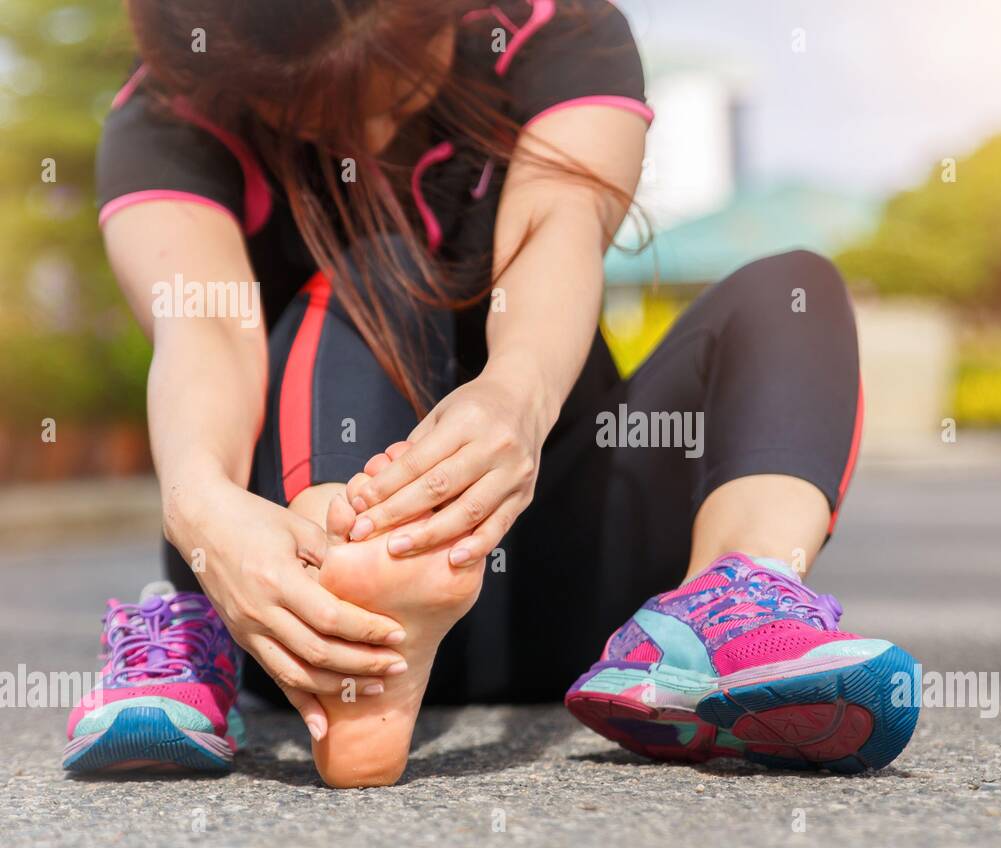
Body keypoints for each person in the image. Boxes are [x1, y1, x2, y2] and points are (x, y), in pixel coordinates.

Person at [65, 0, 919, 787]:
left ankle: (724, 611)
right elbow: (205, 331)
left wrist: (514, 396)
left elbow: (558, 226)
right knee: (373, 264)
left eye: (398, 77)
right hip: (292, 616)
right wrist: (201, 511)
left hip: (576, 588)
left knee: (794, 289)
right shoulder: (167, 115)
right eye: (316, 109)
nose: (369, 128)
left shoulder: (554, 28)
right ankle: (348, 590)